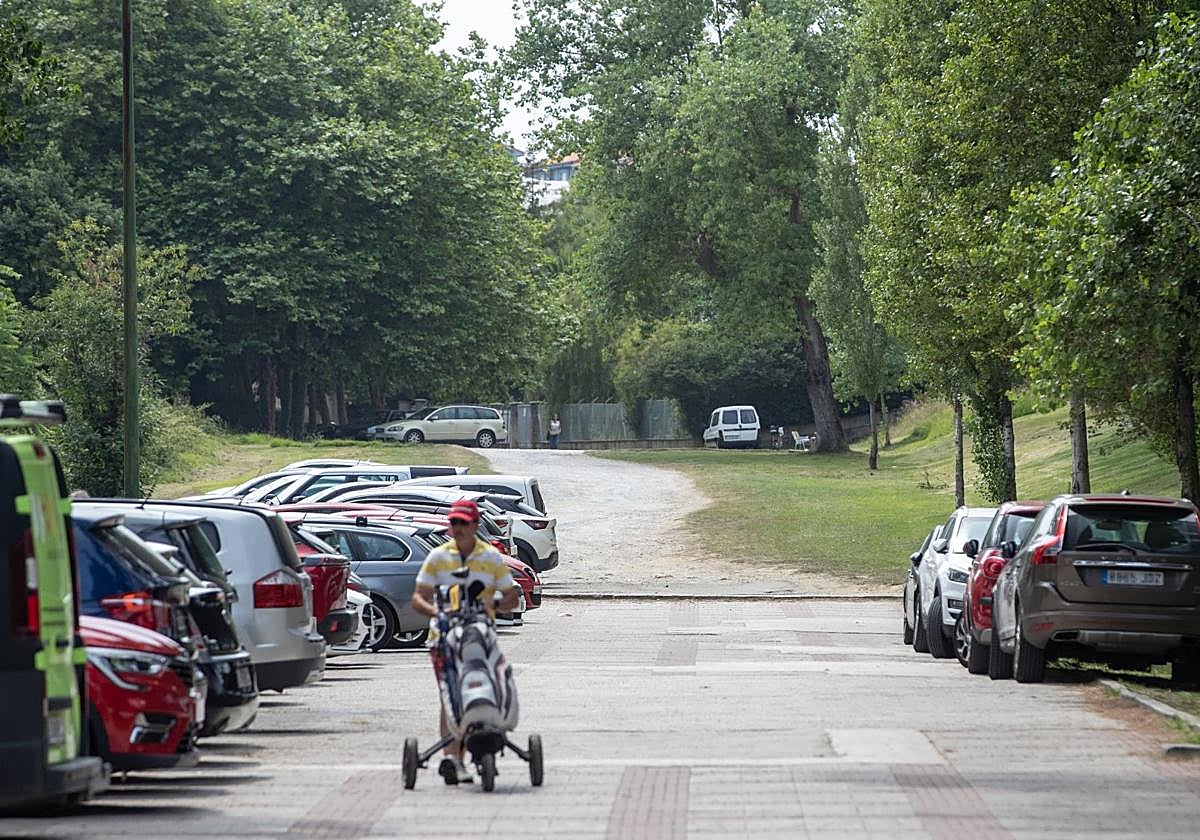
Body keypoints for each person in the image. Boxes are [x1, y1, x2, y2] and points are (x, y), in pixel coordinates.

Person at [411, 498, 518, 785]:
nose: (457, 528)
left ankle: (489, 729)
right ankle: (453, 758)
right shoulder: (437, 557)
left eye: (463, 523)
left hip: (480, 634)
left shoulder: (491, 558)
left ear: (475, 526)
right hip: (443, 638)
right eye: (453, 522)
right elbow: (419, 597)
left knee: (490, 678)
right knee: (451, 690)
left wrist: (494, 607)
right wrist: (437, 611)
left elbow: (511, 597)